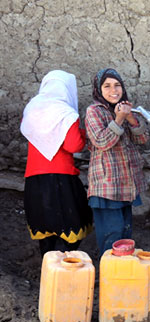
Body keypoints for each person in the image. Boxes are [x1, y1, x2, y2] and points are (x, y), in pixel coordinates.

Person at [21, 70, 93, 257]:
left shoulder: (31, 109)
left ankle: (48, 262)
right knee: (74, 221)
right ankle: (67, 261)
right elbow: (74, 145)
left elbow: (27, 131)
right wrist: (84, 134)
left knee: (43, 223)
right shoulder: (66, 113)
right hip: (62, 177)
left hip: (34, 177)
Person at [85, 68, 148, 255]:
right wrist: (119, 119)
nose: (114, 90)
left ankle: (121, 275)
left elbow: (142, 139)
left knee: (125, 234)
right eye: (107, 86)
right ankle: (108, 276)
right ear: (98, 89)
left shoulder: (126, 109)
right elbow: (103, 142)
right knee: (112, 236)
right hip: (107, 186)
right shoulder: (94, 112)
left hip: (126, 185)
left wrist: (130, 118)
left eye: (117, 85)